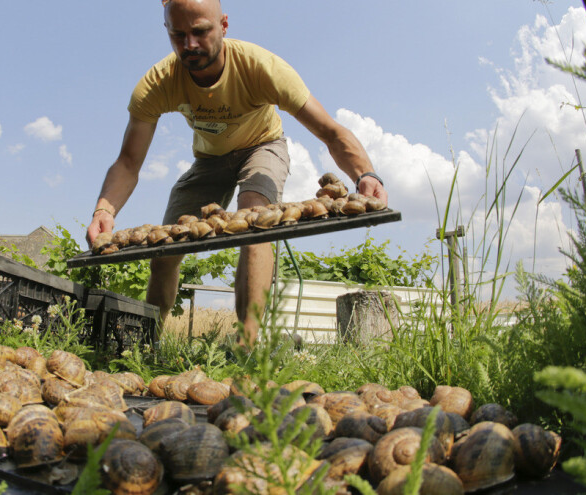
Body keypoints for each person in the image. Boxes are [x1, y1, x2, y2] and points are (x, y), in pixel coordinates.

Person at [86, 0, 387, 347]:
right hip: (209, 161)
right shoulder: (157, 83)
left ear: (224, 25)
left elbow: (330, 132)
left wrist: (367, 175)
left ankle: (247, 341)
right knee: (164, 246)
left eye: (200, 32)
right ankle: (146, 341)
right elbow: (128, 162)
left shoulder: (261, 67)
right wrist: (104, 211)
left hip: (263, 145)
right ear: (167, 30)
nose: (190, 45)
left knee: (253, 213)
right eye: (178, 34)